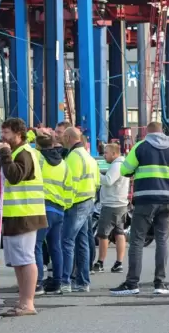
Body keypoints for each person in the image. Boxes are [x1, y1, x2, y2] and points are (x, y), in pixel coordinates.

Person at [111, 122, 169, 296]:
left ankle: (132, 284)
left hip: (145, 200)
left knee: (137, 240)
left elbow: (125, 170)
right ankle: (160, 283)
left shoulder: (140, 147)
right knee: (162, 240)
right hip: (167, 200)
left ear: (147, 132)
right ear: (162, 132)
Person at [0, 117, 47, 317]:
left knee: (25, 259)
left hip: (25, 213)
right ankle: (23, 301)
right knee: (18, 261)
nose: (3, 136)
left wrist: (4, 154)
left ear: (18, 134)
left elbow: (14, 175)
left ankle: (28, 302)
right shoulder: (20, 151)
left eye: (7, 132)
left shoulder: (24, 153)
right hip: (17, 213)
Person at [60, 126, 99, 293]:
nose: (61, 139)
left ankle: (65, 281)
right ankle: (83, 282)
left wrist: (65, 204)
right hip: (88, 201)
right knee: (82, 242)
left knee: (67, 241)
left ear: (69, 137)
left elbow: (69, 184)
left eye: (62, 136)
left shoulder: (73, 158)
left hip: (76, 203)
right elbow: (97, 182)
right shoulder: (88, 157)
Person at [33, 129, 71, 295]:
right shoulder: (63, 163)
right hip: (59, 209)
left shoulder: (37, 156)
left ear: (38, 145)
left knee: (36, 245)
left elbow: (24, 147)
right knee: (56, 246)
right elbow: (69, 188)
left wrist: (33, 133)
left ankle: (38, 283)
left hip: (43, 206)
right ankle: (57, 282)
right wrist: (65, 206)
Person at [94, 142, 128, 274]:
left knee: (103, 234)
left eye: (106, 153)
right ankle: (118, 263)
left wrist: (95, 174)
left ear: (114, 154)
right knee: (119, 233)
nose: (104, 155)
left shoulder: (116, 166)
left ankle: (100, 262)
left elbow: (108, 180)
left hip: (111, 204)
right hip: (121, 204)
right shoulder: (123, 164)